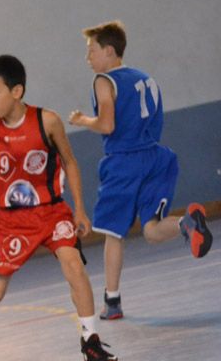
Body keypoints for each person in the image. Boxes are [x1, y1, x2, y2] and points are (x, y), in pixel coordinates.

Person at [0, 55, 119, 361]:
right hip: (11, 221)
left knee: (74, 267)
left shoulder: (47, 121)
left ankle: (90, 343)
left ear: (17, 91)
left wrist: (80, 209)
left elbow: (70, 162)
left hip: (52, 212)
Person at [68, 20, 212, 319]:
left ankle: (112, 303)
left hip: (124, 161)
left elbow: (107, 124)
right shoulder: (146, 78)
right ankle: (187, 223)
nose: (87, 58)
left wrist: (82, 120)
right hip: (158, 158)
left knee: (113, 234)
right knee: (151, 230)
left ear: (109, 51)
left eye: (91, 51)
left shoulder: (104, 81)